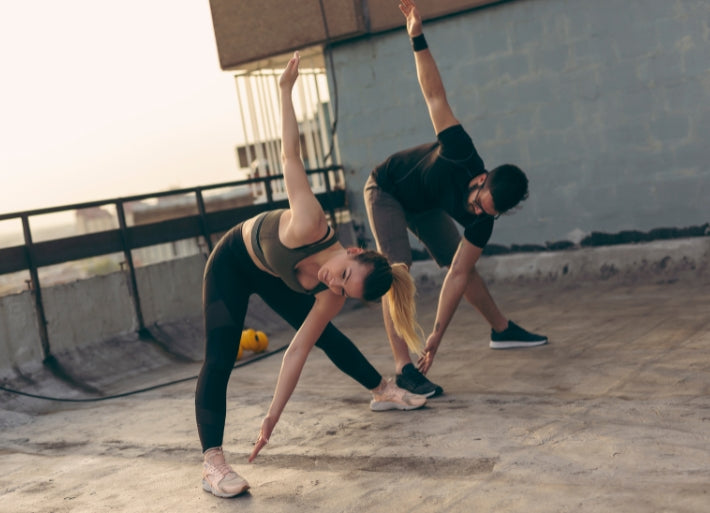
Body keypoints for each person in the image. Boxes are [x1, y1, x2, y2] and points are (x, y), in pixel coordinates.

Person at [195, 51, 426, 499]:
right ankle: (212, 463)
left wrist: (271, 419)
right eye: (341, 274)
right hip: (232, 262)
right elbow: (290, 153)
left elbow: (296, 352)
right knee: (219, 358)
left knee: (328, 335)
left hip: (270, 274)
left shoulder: (331, 290)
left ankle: (382, 390)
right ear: (353, 250)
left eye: (341, 288)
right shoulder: (310, 223)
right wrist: (285, 91)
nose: (331, 281)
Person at [364, 0, 547, 399]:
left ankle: (502, 330)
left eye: (488, 213)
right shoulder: (461, 151)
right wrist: (416, 36)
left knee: (461, 264)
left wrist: (436, 336)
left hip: (425, 204)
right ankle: (403, 369)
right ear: (480, 179)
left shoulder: (484, 220)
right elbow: (434, 95)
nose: (477, 213)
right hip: (388, 189)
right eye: (480, 203)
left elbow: (458, 275)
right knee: (396, 272)